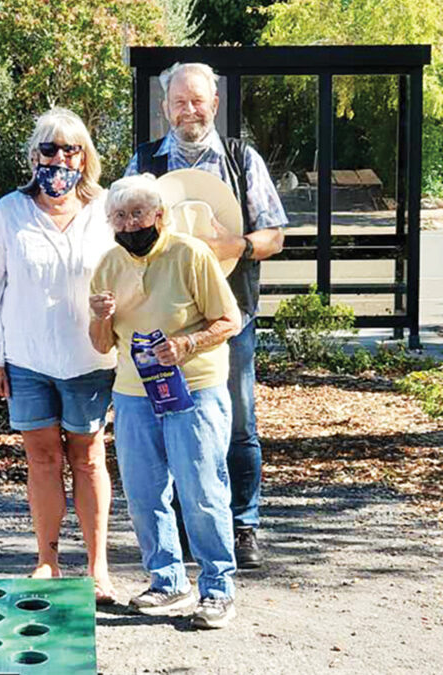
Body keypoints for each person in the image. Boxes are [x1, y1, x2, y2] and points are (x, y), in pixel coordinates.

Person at [126, 62, 287, 568]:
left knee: (237, 425)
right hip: (161, 323)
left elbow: (275, 236)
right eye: (179, 101)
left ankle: (244, 525)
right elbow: (120, 226)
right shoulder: (146, 162)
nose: (189, 110)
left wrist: (231, 244)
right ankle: (183, 529)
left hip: (227, 318)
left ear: (214, 105)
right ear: (165, 107)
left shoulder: (241, 159)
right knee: (166, 423)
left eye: (198, 101)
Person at [0, 108, 118, 604]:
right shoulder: (11, 211)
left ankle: (98, 567)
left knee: (89, 457)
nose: (59, 159)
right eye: (49, 149)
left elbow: (132, 273)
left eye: (70, 149)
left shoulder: (105, 209)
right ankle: (47, 560)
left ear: (85, 155)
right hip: (28, 357)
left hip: (91, 357)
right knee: (43, 458)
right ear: (34, 154)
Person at [90, 173, 241, 628]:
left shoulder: (191, 253)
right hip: (133, 392)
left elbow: (229, 319)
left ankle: (217, 589)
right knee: (143, 493)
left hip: (193, 389)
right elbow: (100, 345)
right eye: (119, 216)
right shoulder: (108, 264)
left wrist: (186, 345)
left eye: (138, 213)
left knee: (201, 490)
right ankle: (167, 581)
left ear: (159, 215)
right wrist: (100, 318)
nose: (129, 223)